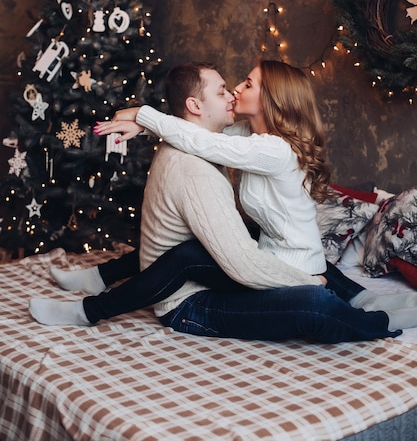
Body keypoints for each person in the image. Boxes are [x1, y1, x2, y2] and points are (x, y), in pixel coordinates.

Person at [29, 62, 417, 340]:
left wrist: (144, 115)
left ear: (271, 98)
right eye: (227, 89)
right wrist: (142, 121)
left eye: (247, 84)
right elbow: (193, 131)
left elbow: (200, 137)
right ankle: (96, 284)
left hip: (291, 261)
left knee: (190, 257)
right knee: (193, 250)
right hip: (275, 249)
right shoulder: (243, 134)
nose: (235, 90)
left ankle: (378, 321)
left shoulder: (271, 149)